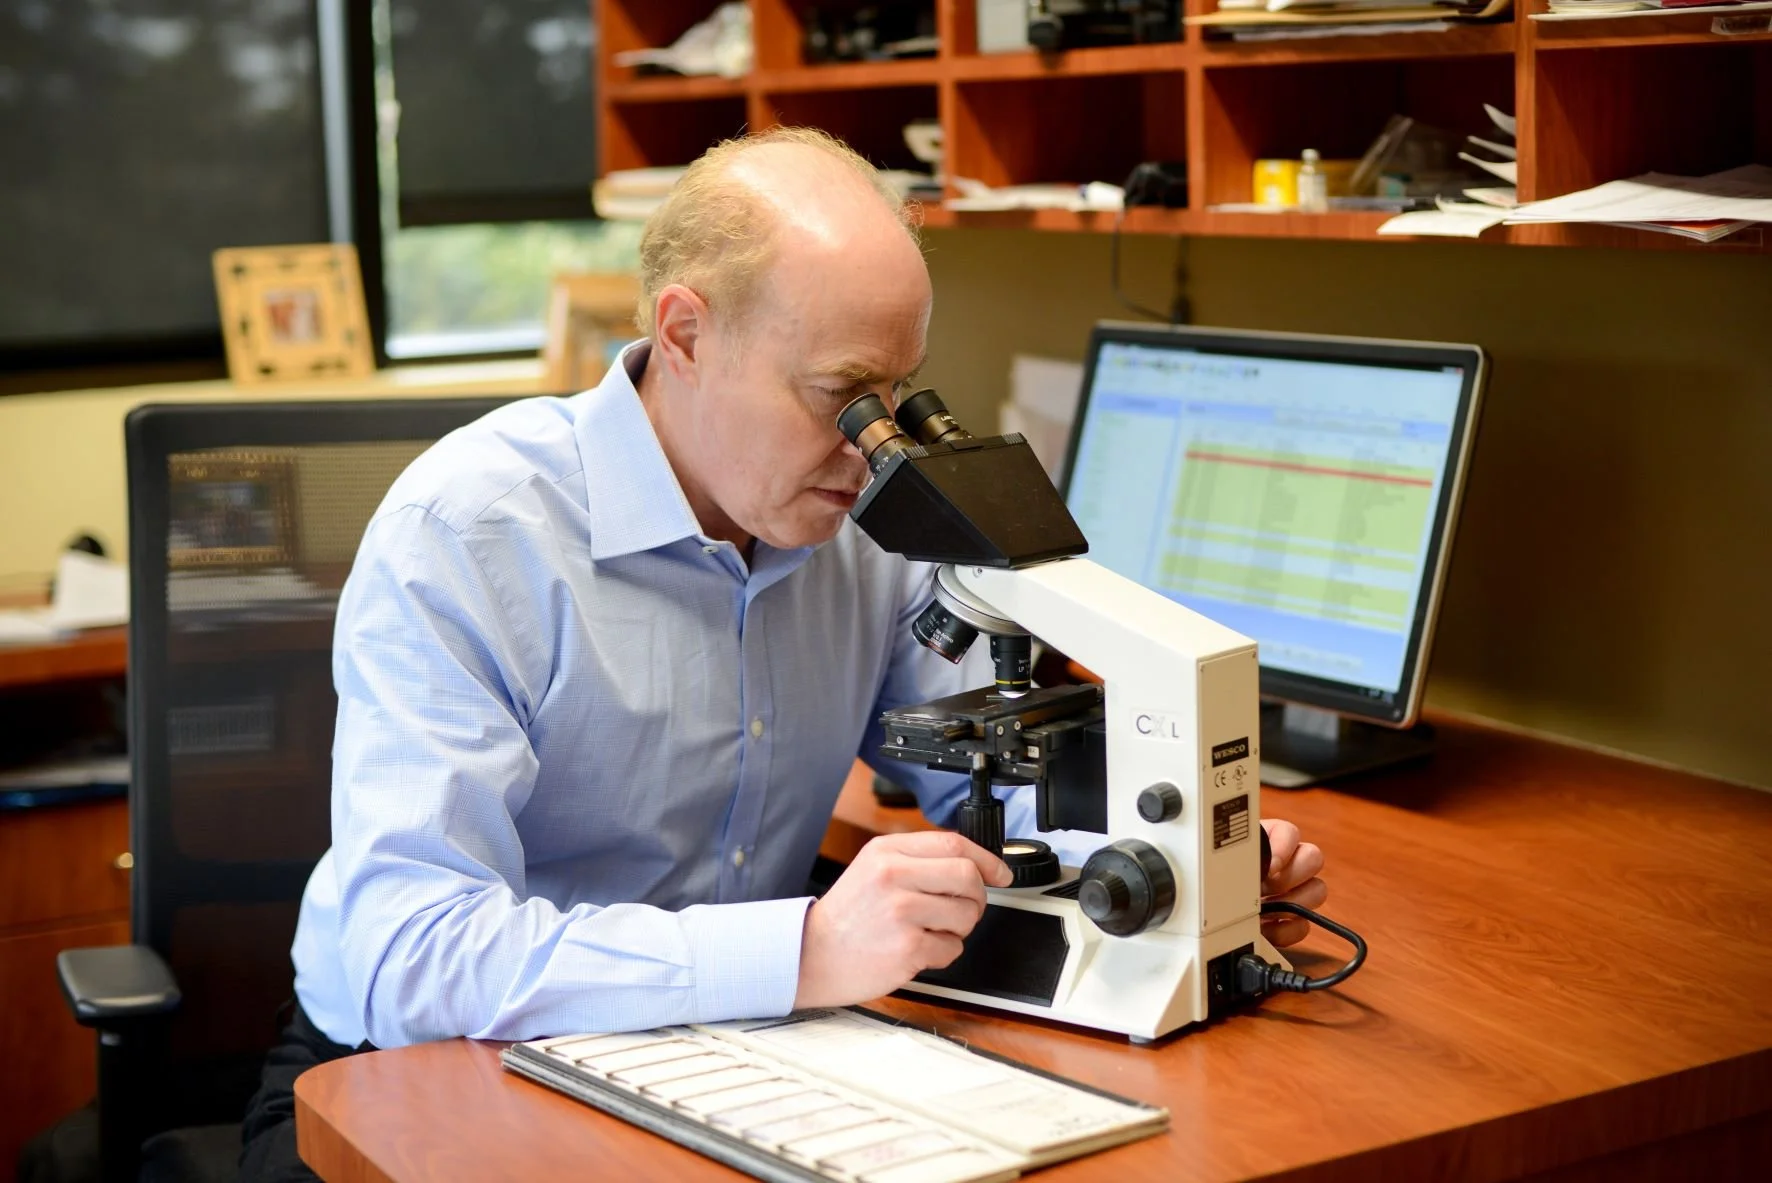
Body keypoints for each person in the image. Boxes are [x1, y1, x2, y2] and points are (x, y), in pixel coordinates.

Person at [238, 127, 1327, 1181]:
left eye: (896, 396)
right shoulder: (470, 532)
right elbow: (409, 954)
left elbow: (984, 788)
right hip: (430, 1064)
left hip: (738, 1044)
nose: (873, 448)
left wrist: (1171, 851)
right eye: (841, 397)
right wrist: (802, 950)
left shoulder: (856, 523)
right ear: (685, 335)